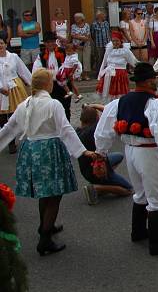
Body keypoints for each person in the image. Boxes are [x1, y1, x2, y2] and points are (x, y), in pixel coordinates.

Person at [94, 63, 158, 256]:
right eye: (153, 78)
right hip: (148, 151)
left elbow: (103, 130)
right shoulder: (155, 105)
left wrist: (101, 153)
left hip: (130, 151)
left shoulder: (119, 102)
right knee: (157, 197)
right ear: (148, 81)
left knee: (140, 193)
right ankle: (157, 243)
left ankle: (138, 232)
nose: (156, 81)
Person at [0, 69, 97, 255]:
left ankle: (46, 226)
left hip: (31, 149)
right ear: (47, 84)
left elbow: (9, 128)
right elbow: (66, 129)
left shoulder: (24, 104)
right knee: (54, 193)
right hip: (49, 149)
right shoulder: (53, 104)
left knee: (44, 191)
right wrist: (83, 151)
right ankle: (45, 238)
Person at [76, 104, 134, 205]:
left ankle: (101, 183)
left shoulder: (78, 131)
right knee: (128, 189)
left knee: (119, 156)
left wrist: (89, 108)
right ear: (96, 118)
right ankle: (97, 188)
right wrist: (94, 105)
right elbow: (109, 112)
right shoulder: (94, 130)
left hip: (85, 169)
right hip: (97, 169)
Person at [0, 38, 31, 154]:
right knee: (2, 117)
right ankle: (10, 142)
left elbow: (23, 71)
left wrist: (34, 84)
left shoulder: (13, 56)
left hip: (14, 87)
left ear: (5, 44)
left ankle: (22, 137)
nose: (0, 46)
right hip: (1, 89)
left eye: (1, 43)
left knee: (16, 114)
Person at [33, 32, 72, 118]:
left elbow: (73, 63)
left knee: (65, 108)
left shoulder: (64, 52)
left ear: (55, 41)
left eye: (52, 41)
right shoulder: (41, 55)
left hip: (64, 84)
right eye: (48, 42)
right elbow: (36, 71)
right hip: (50, 85)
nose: (50, 44)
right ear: (45, 43)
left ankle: (65, 129)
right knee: (51, 109)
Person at [96, 31, 138, 100]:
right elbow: (104, 62)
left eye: (117, 41)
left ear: (121, 41)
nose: (115, 43)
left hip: (120, 76)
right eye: (113, 41)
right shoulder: (109, 50)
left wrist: (144, 69)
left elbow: (134, 62)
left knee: (120, 96)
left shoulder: (125, 51)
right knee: (110, 95)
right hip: (109, 74)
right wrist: (100, 75)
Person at [70, 13, 92, 81]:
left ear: (82, 19)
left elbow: (87, 37)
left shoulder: (87, 25)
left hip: (86, 45)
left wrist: (78, 36)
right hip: (76, 46)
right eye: (75, 18)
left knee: (86, 60)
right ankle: (78, 75)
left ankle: (85, 75)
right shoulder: (73, 26)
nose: (76, 19)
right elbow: (73, 35)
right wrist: (82, 37)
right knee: (78, 60)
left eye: (77, 18)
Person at [90, 11, 111, 76]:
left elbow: (108, 32)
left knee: (108, 58)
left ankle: (106, 72)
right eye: (103, 15)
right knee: (99, 59)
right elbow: (92, 35)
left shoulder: (106, 23)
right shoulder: (94, 24)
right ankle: (98, 73)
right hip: (99, 44)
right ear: (99, 16)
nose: (105, 16)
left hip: (107, 44)